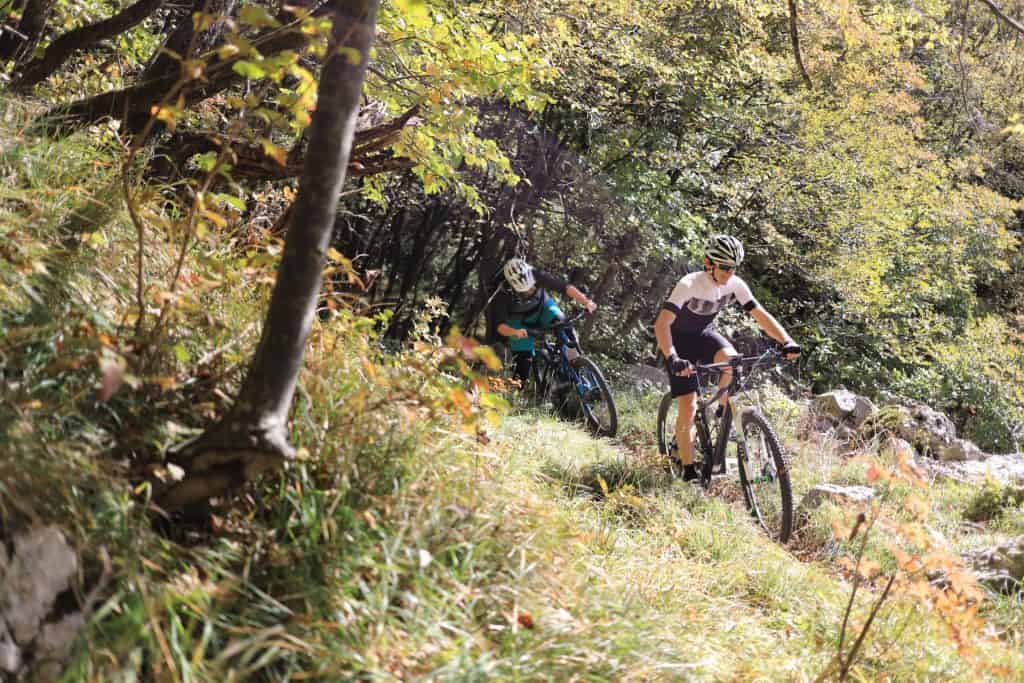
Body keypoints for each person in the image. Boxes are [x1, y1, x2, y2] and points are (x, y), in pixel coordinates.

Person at [654, 234, 801, 481]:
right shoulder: (689, 284)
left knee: (733, 361)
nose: (728, 273)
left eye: (732, 268)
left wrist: (786, 340)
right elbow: (661, 324)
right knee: (688, 405)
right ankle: (688, 470)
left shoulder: (735, 284)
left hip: (704, 335)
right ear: (708, 262)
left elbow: (760, 315)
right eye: (723, 267)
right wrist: (672, 357)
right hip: (678, 343)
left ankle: (721, 412)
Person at [492, 258, 597, 383]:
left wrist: (585, 301)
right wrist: (514, 332)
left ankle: (577, 366)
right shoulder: (503, 294)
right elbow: (500, 326)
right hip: (519, 323)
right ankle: (517, 388)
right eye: (523, 291)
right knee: (523, 365)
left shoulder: (535, 273)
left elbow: (564, 287)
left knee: (565, 326)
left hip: (543, 307)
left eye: (531, 287)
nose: (529, 291)